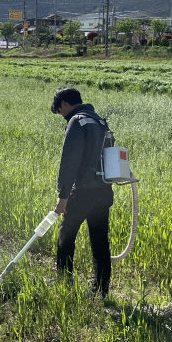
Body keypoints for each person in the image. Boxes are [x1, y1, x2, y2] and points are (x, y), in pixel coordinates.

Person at [51, 87, 114, 297]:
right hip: (104, 190)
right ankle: (101, 291)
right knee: (99, 241)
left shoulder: (77, 121)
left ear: (65, 104)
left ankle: (64, 284)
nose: (62, 115)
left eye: (60, 110)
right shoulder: (99, 121)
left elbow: (69, 161)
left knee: (66, 235)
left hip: (84, 191)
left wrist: (63, 196)